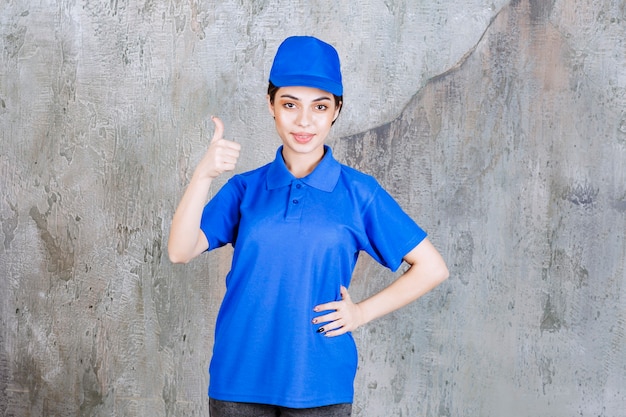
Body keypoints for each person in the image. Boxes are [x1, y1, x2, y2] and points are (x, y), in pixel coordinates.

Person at [168, 36, 449, 417]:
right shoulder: (245, 188)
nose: (304, 121)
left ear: (336, 110)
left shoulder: (358, 193)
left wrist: (361, 313)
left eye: (320, 106)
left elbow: (432, 268)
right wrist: (203, 174)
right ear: (271, 105)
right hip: (238, 378)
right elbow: (180, 251)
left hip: (319, 383)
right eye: (289, 104)